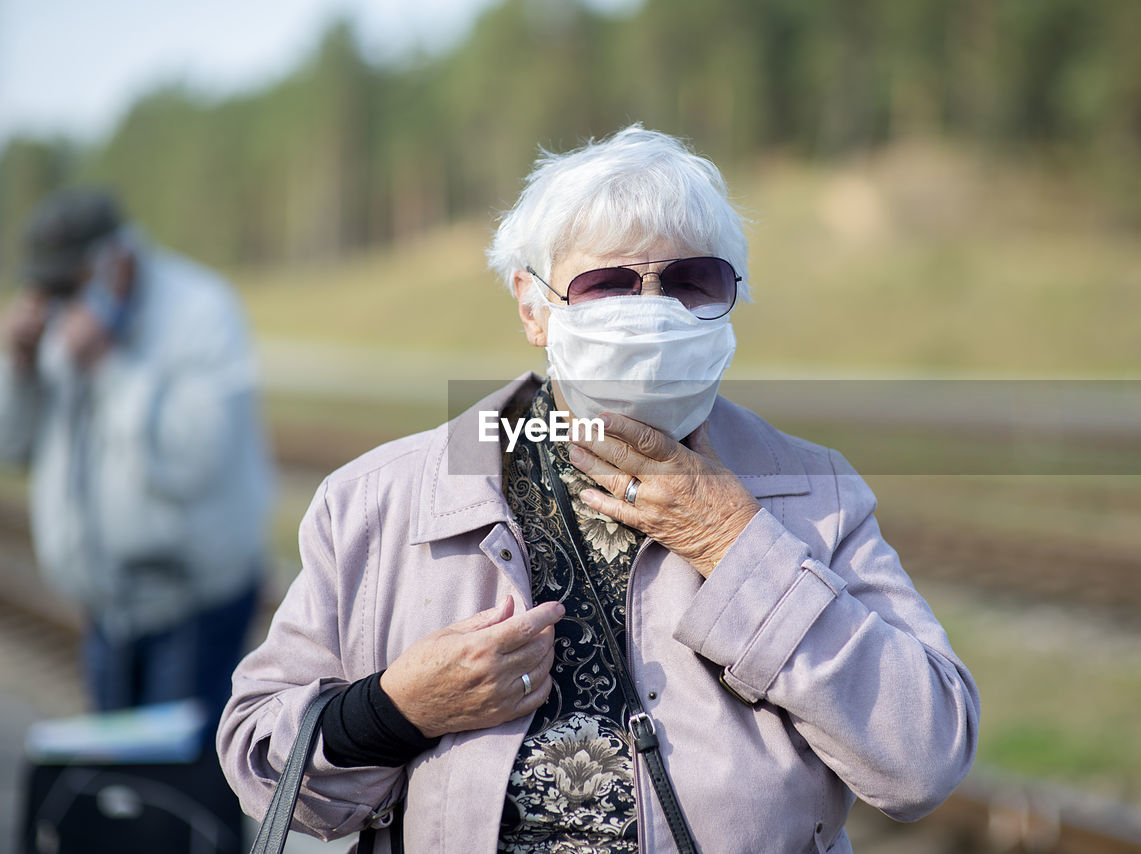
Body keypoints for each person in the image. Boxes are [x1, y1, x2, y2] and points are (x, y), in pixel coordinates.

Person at [218, 126, 979, 853]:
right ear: (533, 307)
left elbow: (924, 757)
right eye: (607, 284)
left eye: (690, 280)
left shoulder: (813, 491)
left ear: (730, 299)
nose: (651, 311)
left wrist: (739, 545)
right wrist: (391, 711)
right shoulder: (379, 502)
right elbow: (259, 758)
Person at [0, 188, 274, 726]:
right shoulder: (61, 325)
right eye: (44, 285)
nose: (57, 299)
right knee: (122, 779)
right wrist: (18, 368)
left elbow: (195, 457)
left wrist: (108, 365)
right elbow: (12, 447)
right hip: (107, 606)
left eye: (67, 281)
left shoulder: (201, 309)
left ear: (113, 258)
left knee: (181, 786)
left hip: (195, 604)